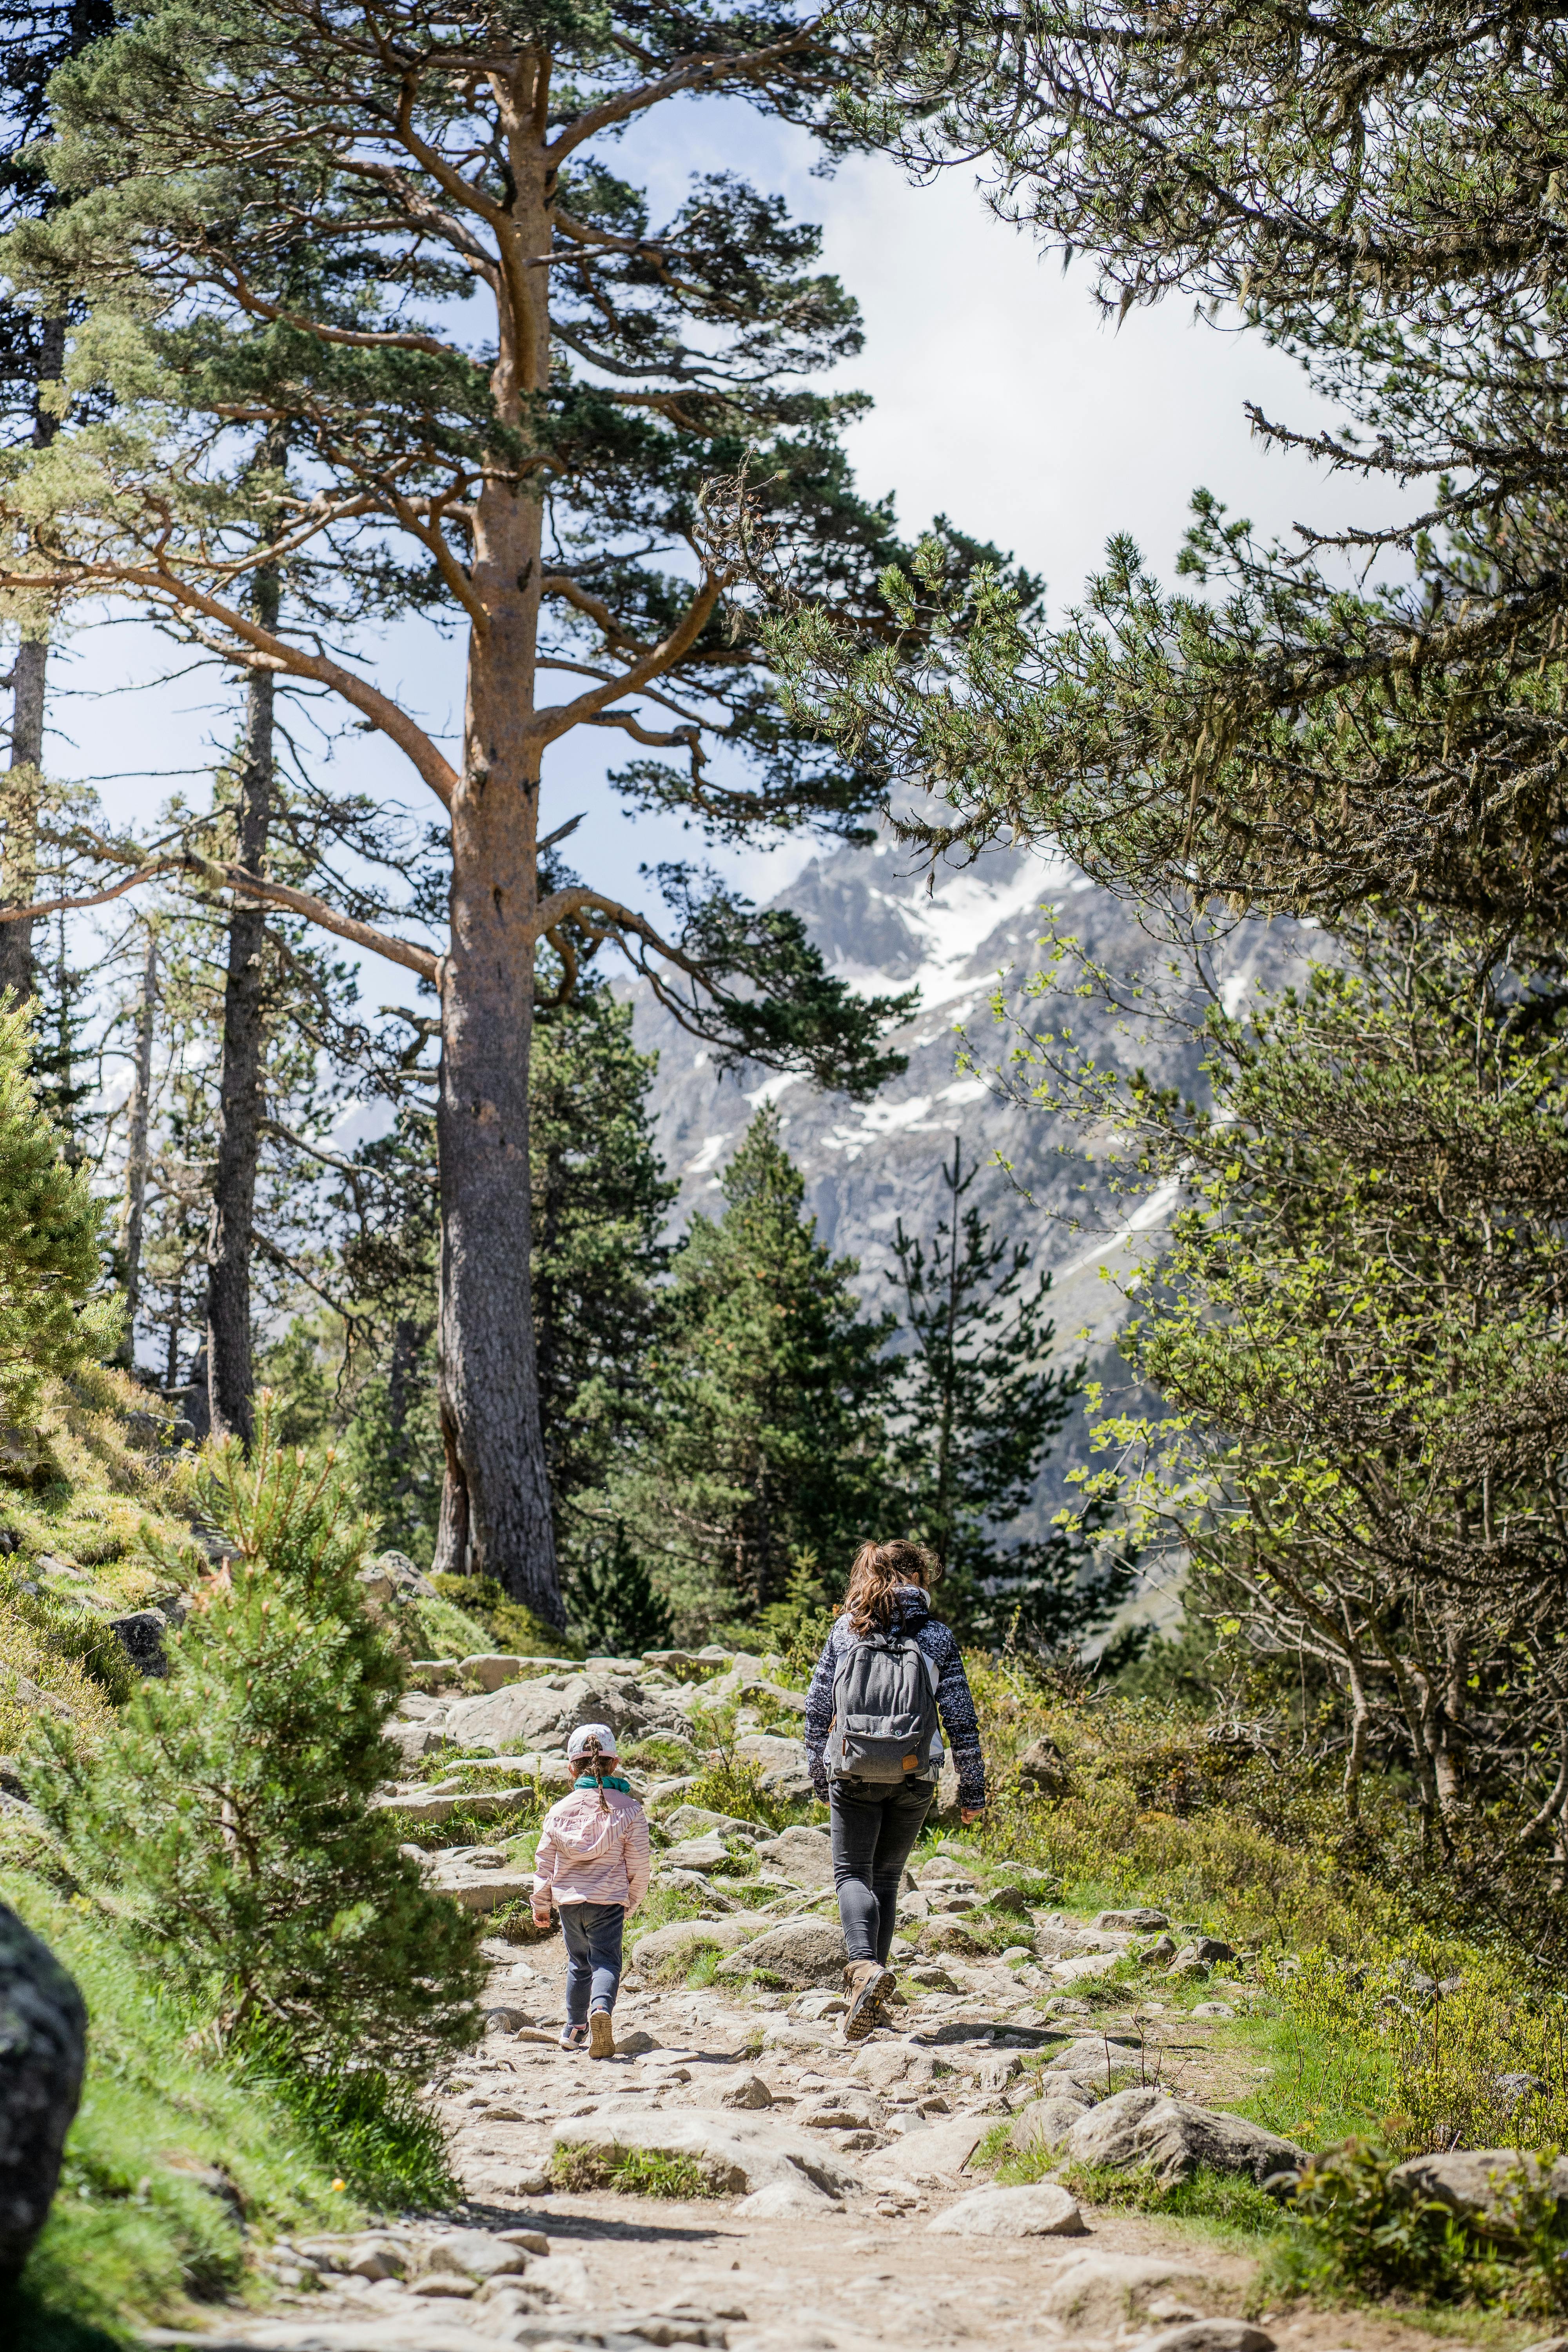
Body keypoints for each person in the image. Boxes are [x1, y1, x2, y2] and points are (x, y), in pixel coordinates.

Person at [804, 1537, 986, 2041]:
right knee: (886, 1879)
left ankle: (863, 1969)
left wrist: (820, 1775)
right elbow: (962, 1721)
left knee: (850, 1875)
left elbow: (817, 1711)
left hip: (853, 1769)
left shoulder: (845, 1629)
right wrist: (972, 1792)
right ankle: (873, 1994)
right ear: (921, 1579)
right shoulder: (937, 1637)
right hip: (914, 1774)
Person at [531, 1722, 650, 2056]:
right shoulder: (630, 1810)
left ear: (571, 1768)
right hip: (609, 1901)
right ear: (615, 1764)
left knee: (578, 1963)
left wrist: (541, 1906)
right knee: (607, 1963)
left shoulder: (557, 1812)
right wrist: (632, 1900)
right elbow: (640, 1863)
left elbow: (544, 1864)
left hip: (569, 1903)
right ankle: (600, 2010)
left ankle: (574, 2027)